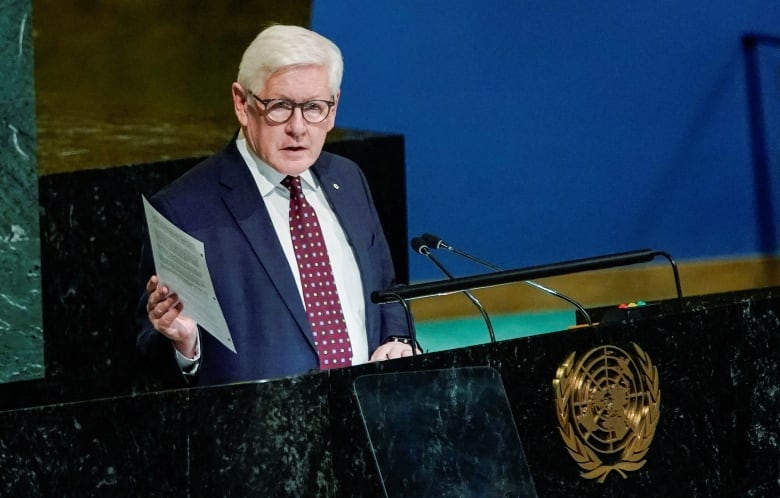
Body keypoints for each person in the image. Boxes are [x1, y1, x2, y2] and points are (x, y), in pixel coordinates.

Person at [136, 24, 414, 387]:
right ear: (242, 103)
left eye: (314, 107)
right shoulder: (184, 210)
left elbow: (386, 289)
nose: (298, 128)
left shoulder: (348, 180)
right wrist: (185, 345)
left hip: (362, 415)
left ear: (332, 111)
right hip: (260, 433)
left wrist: (397, 339)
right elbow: (150, 360)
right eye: (280, 107)